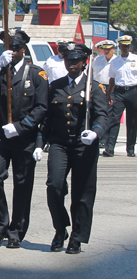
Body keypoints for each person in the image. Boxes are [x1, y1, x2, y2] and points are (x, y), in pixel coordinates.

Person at [0, 29, 48, 249]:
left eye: (15, 47)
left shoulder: (36, 74)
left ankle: (16, 231)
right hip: (0, 136)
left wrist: (22, 126)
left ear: (23, 49)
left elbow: (42, 107)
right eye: (8, 47)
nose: (12, 51)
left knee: (22, 186)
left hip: (25, 138)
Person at [35, 42, 107, 254]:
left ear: (85, 62)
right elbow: (47, 118)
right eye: (68, 60)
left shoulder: (94, 87)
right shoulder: (55, 86)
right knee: (54, 186)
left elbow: (103, 115)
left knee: (82, 193)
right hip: (60, 143)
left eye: (75, 61)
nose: (71, 64)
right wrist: (40, 142)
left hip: (84, 145)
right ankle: (60, 228)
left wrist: (95, 132)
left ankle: (77, 236)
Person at [103, 35, 137, 158]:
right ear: (120, 46)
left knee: (132, 121)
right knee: (114, 120)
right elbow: (112, 78)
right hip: (119, 92)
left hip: (133, 91)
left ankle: (130, 148)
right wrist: (110, 94)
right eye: (124, 45)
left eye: (128, 45)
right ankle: (110, 148)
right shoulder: (115, 61)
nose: (126, 48)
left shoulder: (135, 59)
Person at [92, 40, 116, 149]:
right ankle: (98, 136)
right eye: (104, 49)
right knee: (97, 112)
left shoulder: (116, 60)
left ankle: (105, 139)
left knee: (108, 114)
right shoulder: (97, 60)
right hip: (98, 87)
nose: (106, 51)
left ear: (113, 49)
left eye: (109, 49)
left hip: (110, 88)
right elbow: (92, 73)